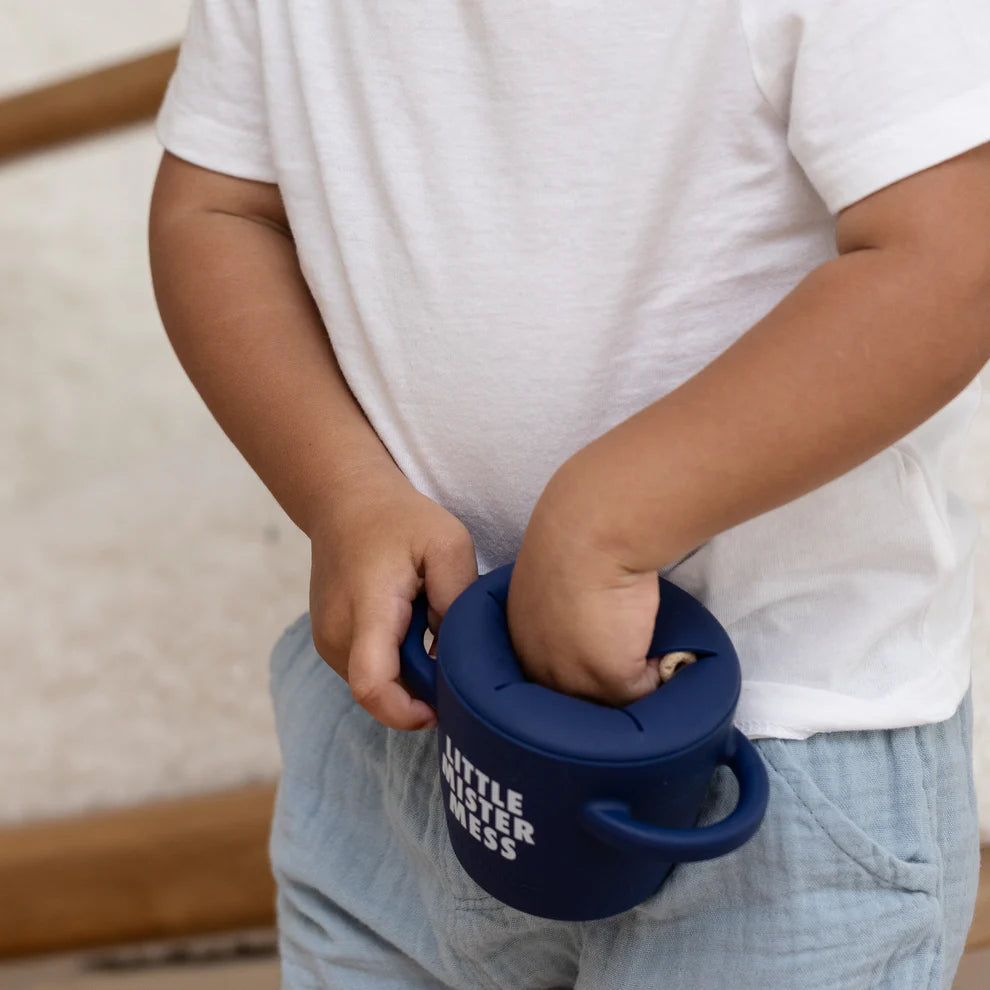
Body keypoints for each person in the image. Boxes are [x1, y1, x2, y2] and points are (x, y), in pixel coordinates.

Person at [148, 1, 990, 986]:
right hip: (406, 718)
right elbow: (216, 210)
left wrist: (608, 527)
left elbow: (952, 258)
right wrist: (342, 490)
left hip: (771, 744)